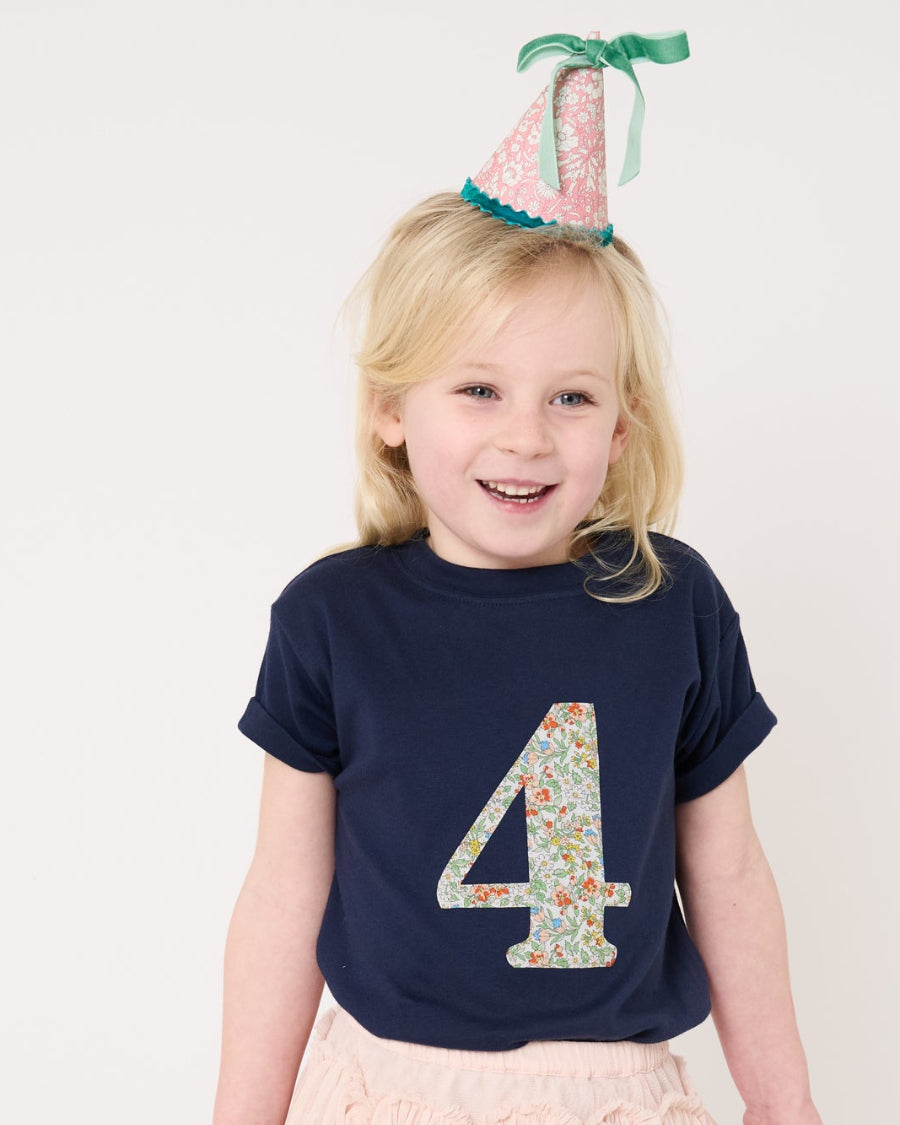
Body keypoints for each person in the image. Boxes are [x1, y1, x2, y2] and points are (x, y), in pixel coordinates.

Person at [213, 28, 822, 1125]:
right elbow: (282, 894)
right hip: (395, 1084)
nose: (527, 439)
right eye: (480, 390)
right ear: (394, 409)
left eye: (572, 396)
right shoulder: (333, 619)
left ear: (624, 422)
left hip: (612, 1092)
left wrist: (789, 1107)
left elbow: (727, 878)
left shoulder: (673, 604)